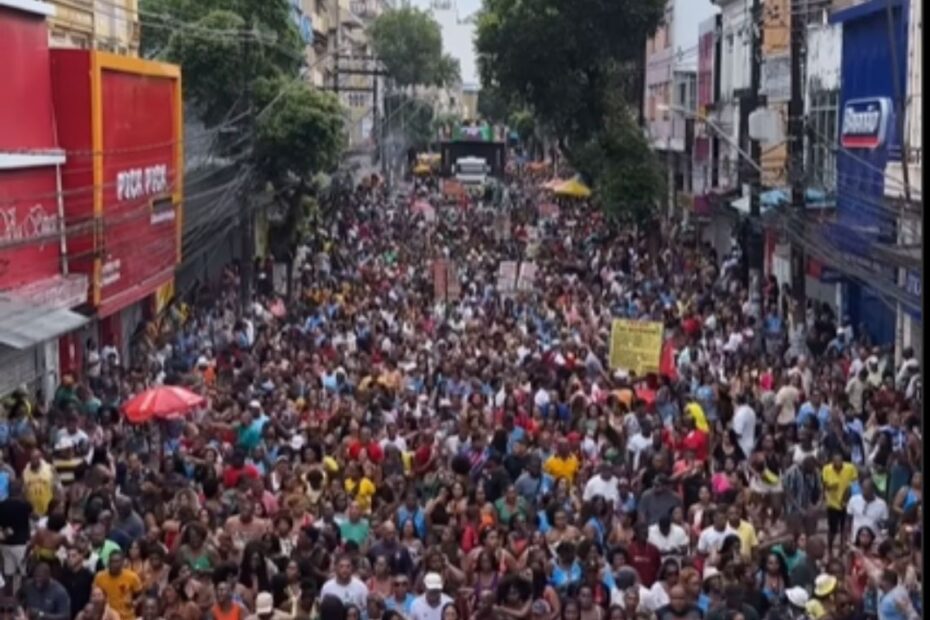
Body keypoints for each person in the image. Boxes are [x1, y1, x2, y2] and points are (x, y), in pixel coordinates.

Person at [91, 552, 141, 620]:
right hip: (107, 616)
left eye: (117, 561)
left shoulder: (132, 577)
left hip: (127, 617)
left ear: (122, 563)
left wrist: (135, 602)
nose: (114, 564)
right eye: (111, 561)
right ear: (108, 562)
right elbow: (93, 595)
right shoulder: (99, 577)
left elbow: (141, 594)